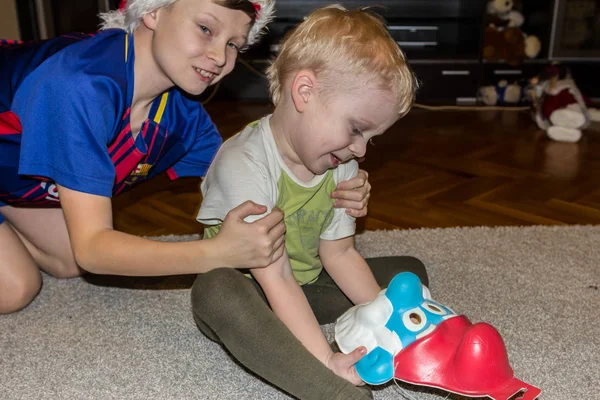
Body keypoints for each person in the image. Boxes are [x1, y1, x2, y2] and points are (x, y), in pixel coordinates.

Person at [0, 0, 372, 314]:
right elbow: (94, 249)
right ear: (154, 11)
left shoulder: (183, 116)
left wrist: (332, 181)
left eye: (233, 45)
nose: (219, 57)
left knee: (66, 260)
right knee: (18, 286)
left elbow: (254, 174)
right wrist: (215, 253)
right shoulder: (79, 86)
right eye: (206, 29)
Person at [191, 5, 428, 400]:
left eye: (371, 138)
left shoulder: (341, 158)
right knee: (217, 291)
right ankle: (325, 389)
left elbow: (339, 255)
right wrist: (325, 360)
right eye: (356, 129)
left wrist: (389, 323)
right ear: (304, 92)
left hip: (305, 282)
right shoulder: (244, 163)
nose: (362, 150)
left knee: (409, 275)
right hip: (252, 291)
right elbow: (275, 275)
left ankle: (315, 336)